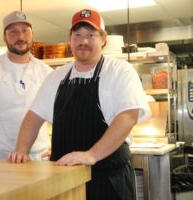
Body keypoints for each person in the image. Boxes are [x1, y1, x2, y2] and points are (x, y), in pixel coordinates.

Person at [8, 8, 151, 200]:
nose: (83, 41)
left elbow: (127, 116)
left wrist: (91, 155)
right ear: (70, 39)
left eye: (91, 35)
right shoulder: (57, 76)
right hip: (64, 180)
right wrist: (21, 150)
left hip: (108, 178)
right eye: (78, 35)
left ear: (103, 39)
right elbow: (33, 117)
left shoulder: (120, 71)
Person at [0, 10, 53, 162]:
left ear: (32, 34)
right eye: (13, 32)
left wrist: (60, 145)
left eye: (25, 31)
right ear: (4, 37)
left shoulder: (46, 72)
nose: (20, 37)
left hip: (39, 157)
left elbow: (58, 113)